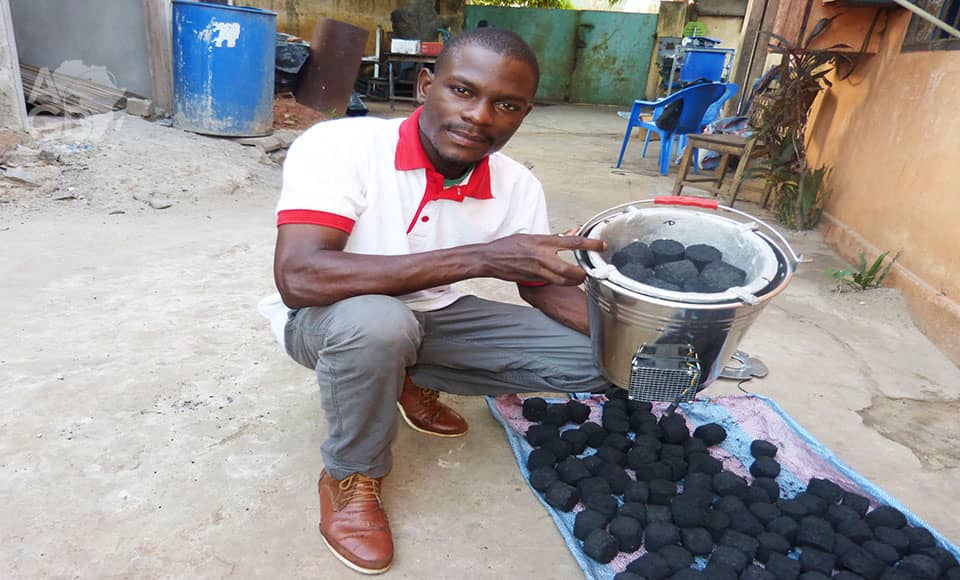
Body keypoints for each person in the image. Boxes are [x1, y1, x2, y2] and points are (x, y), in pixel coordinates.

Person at [267, 28, 608, 575]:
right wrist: (482, 258)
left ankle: (406, 378)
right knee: (378, 324)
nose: (480, 116)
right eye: (463, 91)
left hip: (435, 315)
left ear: (523, 115)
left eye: (507, 105)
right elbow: (300, 278)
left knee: (609, 364)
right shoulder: (341, 147)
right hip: (332, 319)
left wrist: (644, 336)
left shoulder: (518, 185)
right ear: (426, 85)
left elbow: (542, 286)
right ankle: (352, 475)